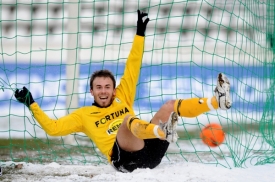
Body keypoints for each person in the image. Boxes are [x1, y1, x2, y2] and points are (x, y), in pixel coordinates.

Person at [14, 10, 232, 173]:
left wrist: (139, 35)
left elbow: (133, 65)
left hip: (150, 150)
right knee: (127, 120)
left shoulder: (122, 95)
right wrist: (31, 103)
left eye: (107, 87)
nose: (104, 91)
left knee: (169, 106)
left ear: (113, 89)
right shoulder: (83, 116)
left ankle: (216, 101)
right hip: (125, 160)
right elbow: (52, 129)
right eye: (98, 87)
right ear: (91, 91)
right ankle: (163, 132)